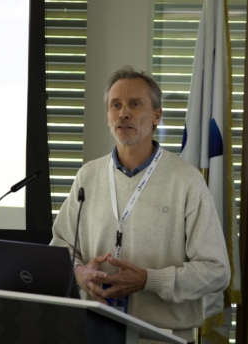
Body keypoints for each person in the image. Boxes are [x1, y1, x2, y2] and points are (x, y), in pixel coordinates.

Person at [50, 66, 230, 343]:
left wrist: (148, 280)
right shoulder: (88, 176)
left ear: (157, 115)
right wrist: (79, 273)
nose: (123, 113)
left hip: (163, 337)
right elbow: (61, 247)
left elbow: (216, 272)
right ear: (108, 116)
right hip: (95, 333)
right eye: (115, 105)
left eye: (135, 104)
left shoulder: (186, 180)